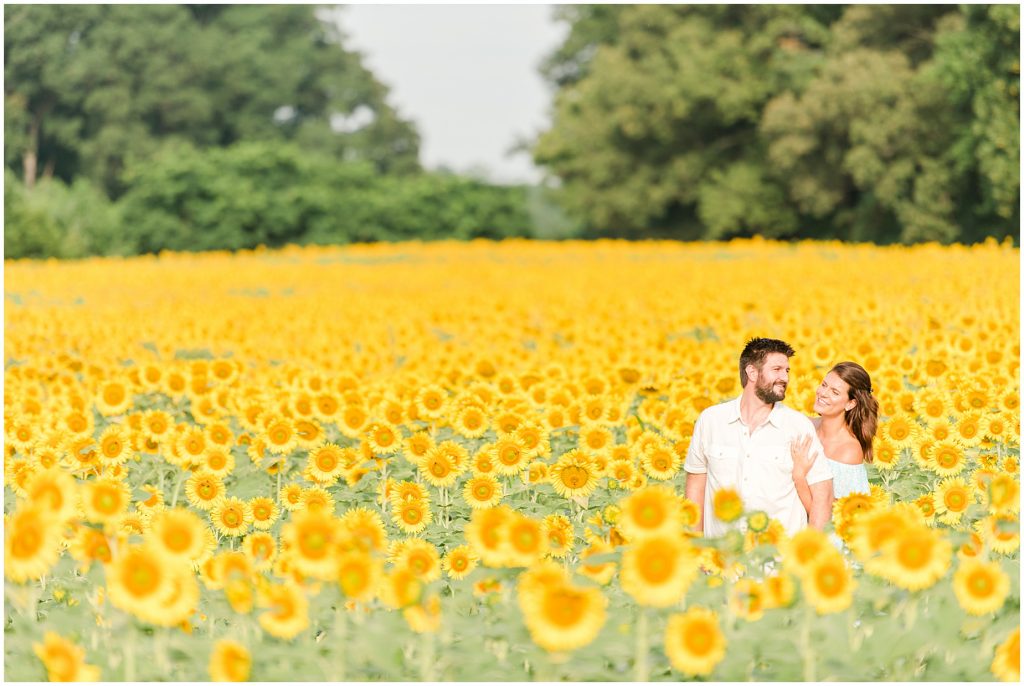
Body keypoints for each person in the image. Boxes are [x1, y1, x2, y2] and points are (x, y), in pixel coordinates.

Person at [684, 337, 834, 537]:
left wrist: (811, 552)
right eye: (777, 369)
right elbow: (695, 488)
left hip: (780, 561)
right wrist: (697, 547)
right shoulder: (711, 421)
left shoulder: (798, 426)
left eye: (787, 370)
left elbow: (822, 498)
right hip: (723, 559)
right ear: (752, 372)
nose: (785, 378)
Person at [790, 361, 878, 511]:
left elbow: (824, 516)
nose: (823, 393)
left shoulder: (848, 451)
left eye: (835, 392)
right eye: (824, 385)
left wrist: (799, 476)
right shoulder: (805, 426)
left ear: (850, 404)